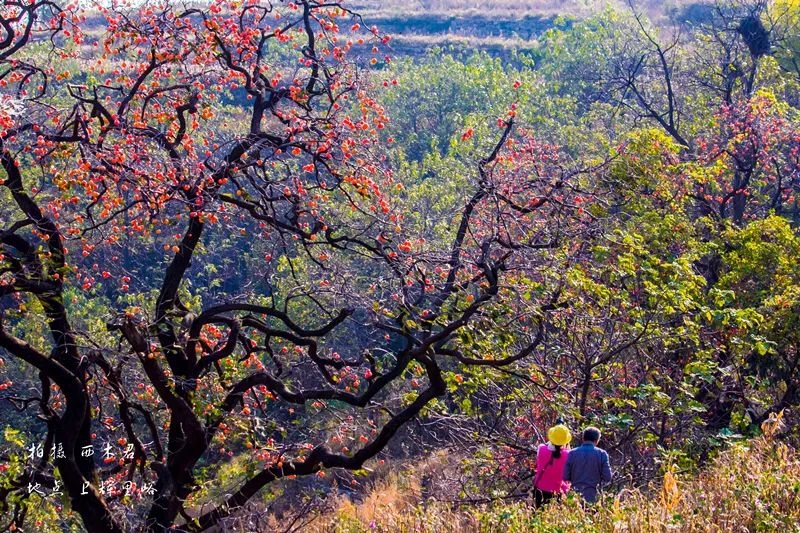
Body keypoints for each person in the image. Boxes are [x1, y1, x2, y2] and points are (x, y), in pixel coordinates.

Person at [563, 426, 612, 504]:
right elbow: (607, 477)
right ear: (597, 440)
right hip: (594, 496)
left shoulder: (572, 453)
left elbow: (565, 476)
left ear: (583, 438)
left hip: (575, 497)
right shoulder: (602, 454)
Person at [532, 423, 571, 508]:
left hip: (539, 489)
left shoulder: (541, 448)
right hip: (557, 492)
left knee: (537, 516)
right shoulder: (568, 455)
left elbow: (547, 449)